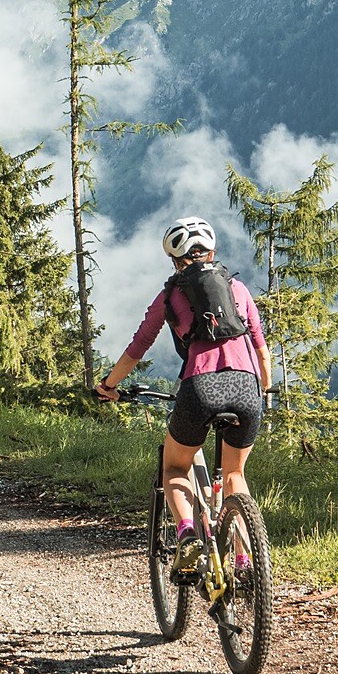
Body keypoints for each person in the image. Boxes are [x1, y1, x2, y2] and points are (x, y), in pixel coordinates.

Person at [95, 215, 272, 574]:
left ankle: (188, 534)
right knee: (236, 475)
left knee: (175, 467)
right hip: (246, 387)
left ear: (175, 261)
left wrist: (108, 386)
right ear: (212, 253)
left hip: (199, 388)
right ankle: (244, 560)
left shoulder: (170, 294)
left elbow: (138, 347)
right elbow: (261, 349)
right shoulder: (238, 290)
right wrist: (262, 388)